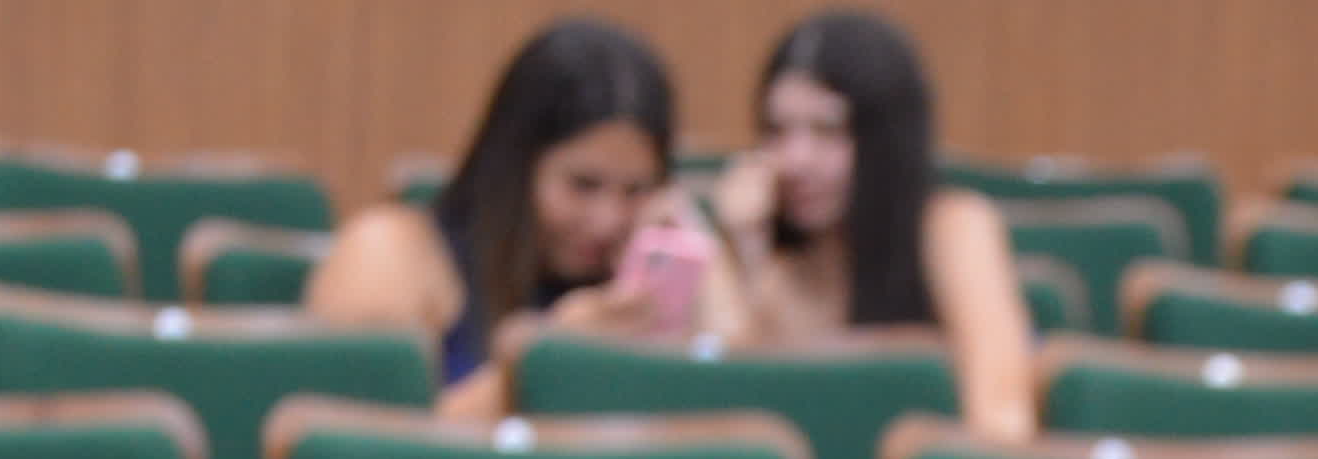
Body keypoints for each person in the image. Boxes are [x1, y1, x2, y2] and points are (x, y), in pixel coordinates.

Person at [308, 17, 695, 423]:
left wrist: (706, 260)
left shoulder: (633, 290)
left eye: (636, 191)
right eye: (583, 185)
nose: (608, 221)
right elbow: (361, 450)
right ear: (514, 165)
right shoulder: (389, 253)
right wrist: (544, 364)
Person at [697, 9, 1038, 436]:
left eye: (828, 130)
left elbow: (1003, 421)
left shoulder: (953, 228)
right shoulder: (765, 258)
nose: (794, 161)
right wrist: (746, 253)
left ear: (887, 137)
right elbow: (739, 419)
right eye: (777, 131)